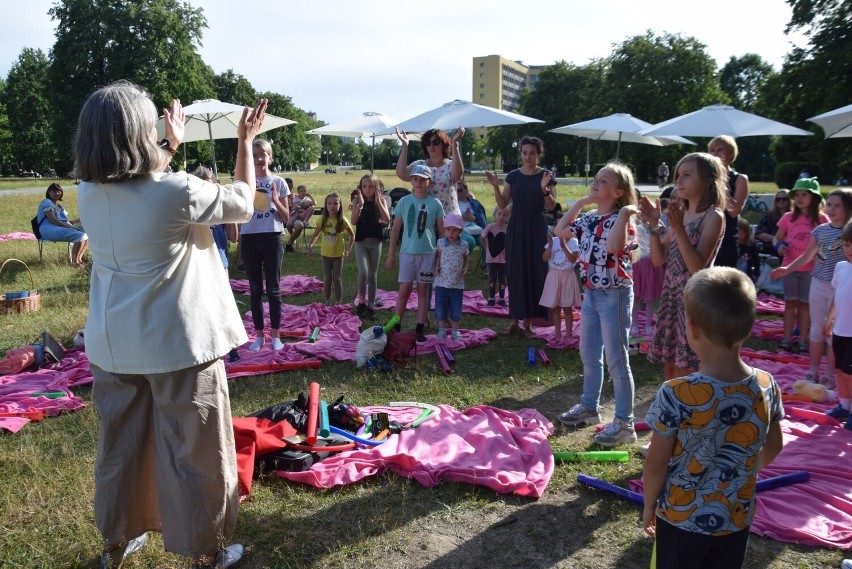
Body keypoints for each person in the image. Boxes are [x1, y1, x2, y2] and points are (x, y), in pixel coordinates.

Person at [75, 80, 266, 569]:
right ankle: (207, 550)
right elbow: (243, 201)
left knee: (121, 449)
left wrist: (170, 145)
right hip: (179, 344)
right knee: (197, 450)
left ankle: (115, 541)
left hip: (114, 345)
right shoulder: (177, 191)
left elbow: (138, 177)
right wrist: (244, 141)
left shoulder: (87, 195)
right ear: (143, 133)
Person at [642, 267, 784, 569]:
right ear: (748, 328)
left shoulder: (676, 392)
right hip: (736, 516)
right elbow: (774, 447)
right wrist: (740, 473)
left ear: (691, 329)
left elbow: (655, 462)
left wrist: (648, 503)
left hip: (680, 519)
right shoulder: (766, 385)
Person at [554, 162, 639, 447]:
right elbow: (560, 230)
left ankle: (625, 423)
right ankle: (589, 408)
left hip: (614, 295)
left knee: (617, 359)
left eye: (603, 181)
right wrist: (581, 201)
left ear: (618, 192)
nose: (596, 183)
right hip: (591, 294)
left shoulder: (624, 220)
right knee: (589, 354)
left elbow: (615, 247)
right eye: (596, 179)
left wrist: (625, 213)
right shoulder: (589, 217)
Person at [640, 152, 726, 381]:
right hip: (671, 296)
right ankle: (674, 412)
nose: (678, 180)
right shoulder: (683, 213)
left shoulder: (713, 216)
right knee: (670, 366)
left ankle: (691, 413)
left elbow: (697, 267)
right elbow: (659, 259)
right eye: (678, 175)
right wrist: (653, 224)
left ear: (709, 180)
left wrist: (677, 228)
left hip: (694, 300)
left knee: (688, 367)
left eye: (687, 175)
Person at [771, 188, 852, 386]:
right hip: (818, 283)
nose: (831, 209)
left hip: (839, 289)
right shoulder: (820, 231)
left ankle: (831, 374)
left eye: (837, 205)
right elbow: (807, 256)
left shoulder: (848, 234)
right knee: (816, 330)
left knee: (833, 332)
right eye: (830, 204)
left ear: (848, 208)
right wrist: (787, 269)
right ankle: (813, 370)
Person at [486, 136, 555, 336]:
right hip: (516, 226)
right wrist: (495, 187)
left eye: (532, 153)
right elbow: (502, 204)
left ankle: (530, 322)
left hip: (537, 227)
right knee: (515, 272)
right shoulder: (513, 176)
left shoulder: (546, 175)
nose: (527, 156)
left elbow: (552, 207)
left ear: (538, 154)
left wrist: (544, 190)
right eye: (524, 153)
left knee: (536, 272)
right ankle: (515, 319)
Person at [385, 164, 445, 343]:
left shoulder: (435, 203)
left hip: (428, 253)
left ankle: (420, 327)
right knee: (403, 290)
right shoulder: (404, 202)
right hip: (406, 253)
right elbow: (395, 229)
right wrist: (390, 255)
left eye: (422, 179)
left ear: (430, 182)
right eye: (415, 179)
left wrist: (440, 259)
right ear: (411, 180)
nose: (418, 182)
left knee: (423, 291)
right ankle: (397, 324)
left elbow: (441, 233)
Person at [241, 139, 290, 352]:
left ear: (270, 157)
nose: (260, 159)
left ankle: (276, 336)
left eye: (263, 155)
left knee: (274, 289)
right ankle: (259, 337)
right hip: (250, 238)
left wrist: (276, 200)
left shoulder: (279, 182)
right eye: (255, 155)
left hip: (272, 237)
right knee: (254, 290)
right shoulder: (244, 182)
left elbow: (286, 217)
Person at [770, 177, 827, 354]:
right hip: (789, 267)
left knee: (804, 306)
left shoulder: (822, 219)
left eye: (804, 194)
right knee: (789, 304)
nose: (800, 198)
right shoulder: (788, 217)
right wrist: (778, 246)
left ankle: (803, 340)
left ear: (814, 198)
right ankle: (786, 339)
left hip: (811, 270)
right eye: (797, 195)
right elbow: (776, 238)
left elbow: (826, 245)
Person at [395, 126, 464, 217]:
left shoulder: (451, 165)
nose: (431, 146)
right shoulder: (420, 165)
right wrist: (404, 146)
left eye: (436, 142)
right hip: (426, 219)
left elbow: (457, 175)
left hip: (449, 220)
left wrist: (455, 143)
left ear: (443, 144)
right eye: (428, 143)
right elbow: (402, 174)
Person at [823, 221, 852, 430]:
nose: (850, 250)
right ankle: (844, 405)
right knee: (840, 371)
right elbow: (837, 296)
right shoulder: (841, 268)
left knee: (851, 373)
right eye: (848, 245)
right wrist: (829, 318)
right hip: (840, 331)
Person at [351, 173, 390, 318]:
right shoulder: (357, 200)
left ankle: (371, 305)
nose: (367, 189)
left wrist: (379, 201)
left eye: (371, 186)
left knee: (373, 275)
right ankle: (361, 302)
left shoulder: (381, 200)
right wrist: (359, 206)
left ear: (377, 188)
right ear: (360, 188)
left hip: (375, 243)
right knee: (363, 273)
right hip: (361, 242)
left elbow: (386, 219)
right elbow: (354, 222)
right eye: (364, 186)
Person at [708, 135, 750, 268]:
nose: (715, 153)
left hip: (726, 240)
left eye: (720, 149)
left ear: (730, 154)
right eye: (712, 150)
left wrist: (720, 183)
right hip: (705, 237)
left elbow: (734, 211)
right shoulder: (705, 178)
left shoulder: (740, 179)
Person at [308, 193, 354, 305]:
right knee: (327, 279)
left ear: (340, 205)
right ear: (326, 205)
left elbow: (352, 235)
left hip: (338, 255)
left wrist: (348, 250)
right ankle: (327, 301)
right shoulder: (322, 220)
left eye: (335, 203)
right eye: (329, 203)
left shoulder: (342, 220)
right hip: (325, 255)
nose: (332, 206)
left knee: (337, 279)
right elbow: (315, 235)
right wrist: (310, 246)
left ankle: (338, 301)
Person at [539, 231, 581, 343]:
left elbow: (573, 259)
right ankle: (557, 334)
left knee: (567, 307)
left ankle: (568, 334)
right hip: (553, 276)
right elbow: (544, 258)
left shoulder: (574, 241)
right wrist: (550, 246)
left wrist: (564, 246)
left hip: (567, 276)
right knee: (555, 307)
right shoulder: (553, 241)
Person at [193, 166, 238, 270]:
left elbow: (233, 238)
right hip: (199, 265)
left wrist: (231, 212)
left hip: (220, 262)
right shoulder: (192, 209)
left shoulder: (221, 206)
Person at [631, 206, 665, 339]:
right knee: (636, 297)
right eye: (642, 215)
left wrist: (654, 220)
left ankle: (648, 324)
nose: (645, 217)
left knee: (650, 297)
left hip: (652, 263)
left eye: (647, 215)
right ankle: (634, 323)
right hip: (638, 264)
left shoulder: (656, 228)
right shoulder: (636, 228)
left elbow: (662, 229)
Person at [434, 213, 469, 341]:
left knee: (456, 309)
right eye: (448, 229)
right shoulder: (441, 243)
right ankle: (441, 329)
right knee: (440, 308)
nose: (451, 233)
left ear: (460, 231)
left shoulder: (463, 245)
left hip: (457, 283)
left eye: (454, 230)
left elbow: (466, 257)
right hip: (441, 282)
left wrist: (465, 267)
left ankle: (455, 330)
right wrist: (436, 266)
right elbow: (438, 255)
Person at [36, 182, 89, 266]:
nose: (57, 193)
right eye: (54, 191)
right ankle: (75, 263)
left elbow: (65, 221)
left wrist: (73, 222)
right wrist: (70, 227)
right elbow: (53, 220)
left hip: (59, 228)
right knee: (81, 236)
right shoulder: (47, 202)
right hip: (48, 230)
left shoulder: (60, 207)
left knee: (87, 236)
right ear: (49, 192)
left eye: (59, 191)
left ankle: (79, 260)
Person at [481, 206, 509, 307]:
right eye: (499, 214)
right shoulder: (490, 227)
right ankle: (491, 298)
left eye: (504, 215)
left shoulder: (508, 229)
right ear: (495, 215)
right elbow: (482, 237)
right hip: (491, 259)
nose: (501, 217)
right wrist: (486, 248)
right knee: (492, 278)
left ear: (508, 217)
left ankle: (502, 298)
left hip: (504, 260)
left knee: (502, 279)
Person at [755, 189, 791, 257]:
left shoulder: (795, 216)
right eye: (778, 199)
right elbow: (759, 233)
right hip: (771, 246)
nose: (781, 201)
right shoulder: (769, 215)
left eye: (784, 199)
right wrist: (776, 239)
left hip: (791, 246)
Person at [284, 184, 315, 252]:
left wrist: (310, 196)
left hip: (301, 216)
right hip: (294, 215)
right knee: (288, 224)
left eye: (305, 191)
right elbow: (295, 207)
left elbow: (314, 204)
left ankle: (289, 244)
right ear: (298, 192)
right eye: (302, 191)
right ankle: (293, 240)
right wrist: (301, 206)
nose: (303, 192)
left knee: (299, 225)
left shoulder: (307, 199)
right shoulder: (295, 198)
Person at [736, 216, 761, 283]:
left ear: (746, 233)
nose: (737, 235)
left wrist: (756, 273)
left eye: (740, 233)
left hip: (746, 276)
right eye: (736, 233)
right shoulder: (732, 245)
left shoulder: (750, 245)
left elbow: (756, 260)